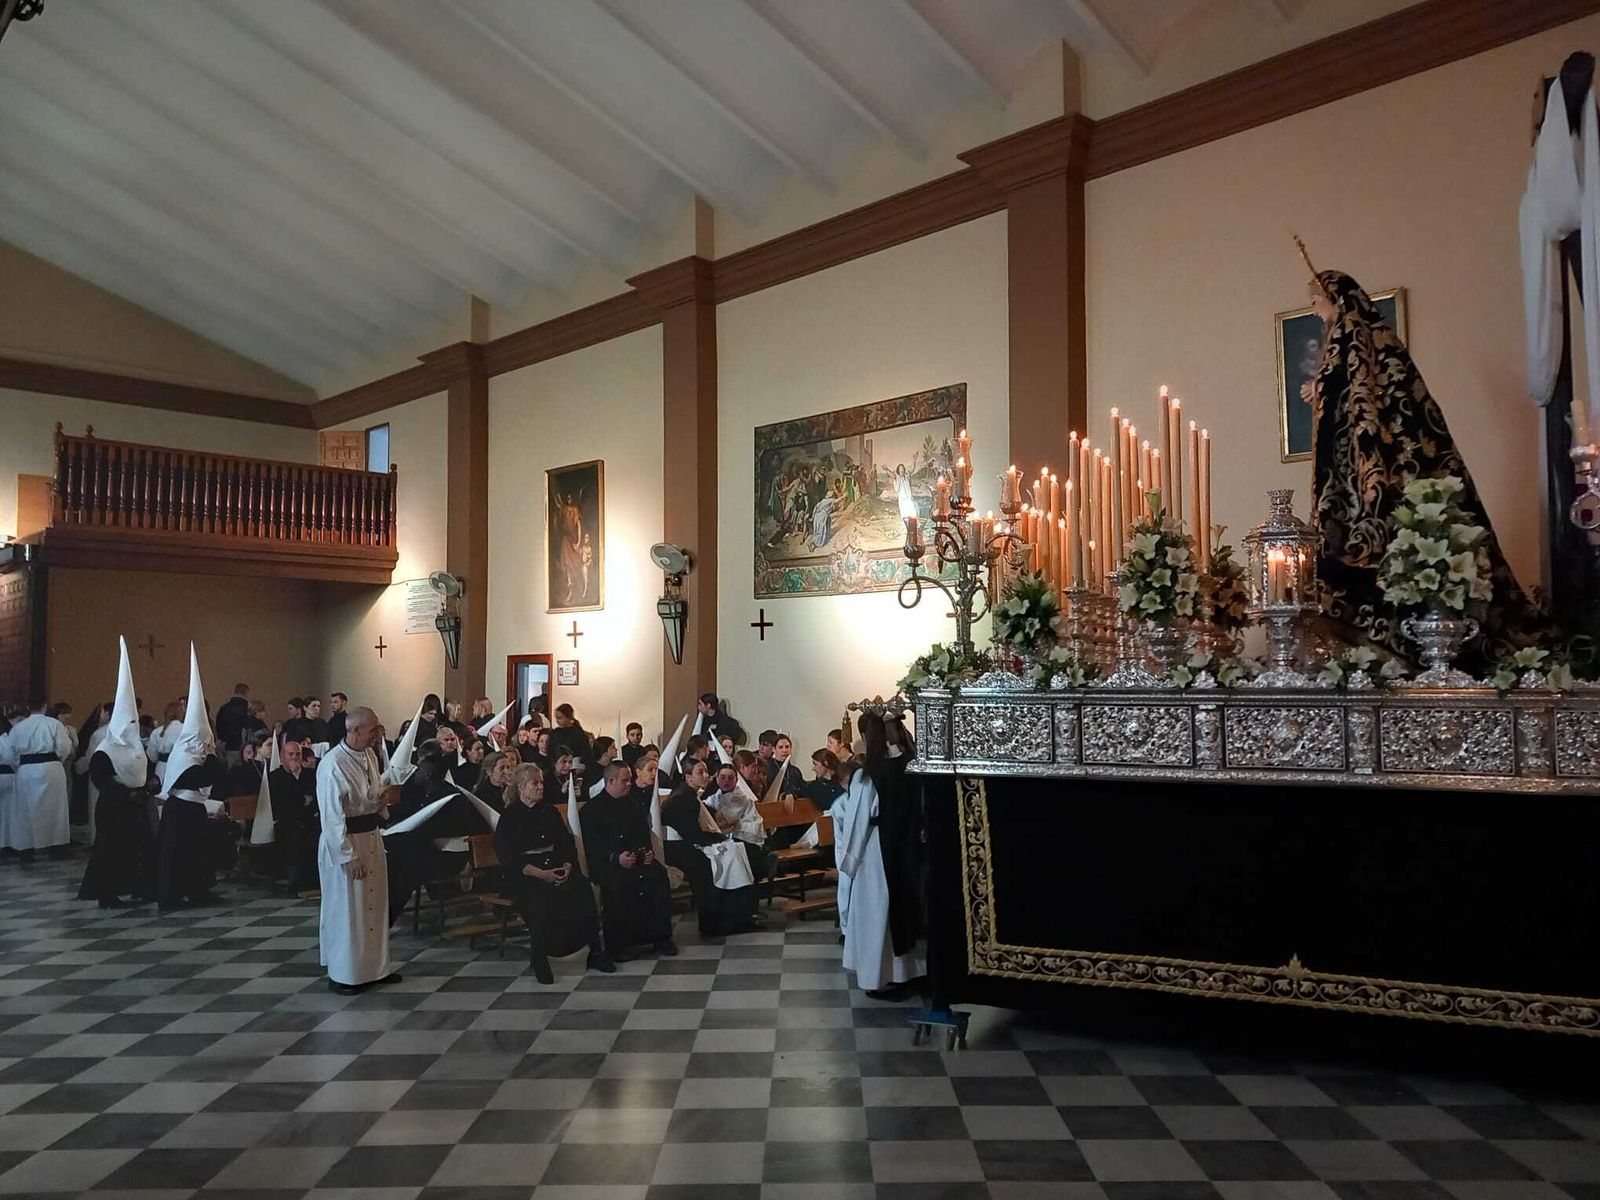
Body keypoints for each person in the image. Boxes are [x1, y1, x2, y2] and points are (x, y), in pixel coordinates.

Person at [1305, 264, 1547, 662]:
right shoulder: (1354, 342)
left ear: (1336, 300)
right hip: (1356, 473)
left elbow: (1360, 400)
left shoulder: (1354, 341)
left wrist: (1324, 389)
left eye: (1317, 301)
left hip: (1379, 480)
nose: (1315, 310)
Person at [495, 763, 615, 983]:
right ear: (521, 788)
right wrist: (543, 874)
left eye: (541, 782)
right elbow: (509, 857)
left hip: (556, 866)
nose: (541, 787)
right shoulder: (510, 817)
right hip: (527, 874)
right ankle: (540, 959)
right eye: (535, 783)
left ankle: (596, 952)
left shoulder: (549, 811)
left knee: (583, 889)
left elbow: (565, 842)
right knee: (539, 899)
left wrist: (568, 865)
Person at [836, 711, 925, 997]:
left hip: (877, 851)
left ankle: (886, 976)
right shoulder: (914, 765)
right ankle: (912, 973)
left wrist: (849, 861)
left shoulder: (868, 774)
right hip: (909, 848)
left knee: (878, 915)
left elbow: (858, 820)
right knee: (906, 910)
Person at [316, 706, 399, 994]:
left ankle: (375, 968)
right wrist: (348, 857)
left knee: (373, 907)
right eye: (373, 730)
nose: (378, 735)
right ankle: (345, 973)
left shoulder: (368, 755)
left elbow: (369, 793)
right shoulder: (332, 764)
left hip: (371, 837)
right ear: (354, 730)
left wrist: (380, 799)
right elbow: (331, 816)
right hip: (347, 842)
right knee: (348, 910)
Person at [77, 637, 156, 907]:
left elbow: (146, 769)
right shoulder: (105, 751)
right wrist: (126, 794)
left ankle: (139, 886)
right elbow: (102, 780)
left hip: (135, 806)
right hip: (115, 807)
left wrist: (149, 784)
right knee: (112, 849)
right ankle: (107, 892)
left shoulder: (136, 748)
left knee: (139, 847)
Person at [156, 647, 230, 909]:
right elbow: (204, 775)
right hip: (181, 811)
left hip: (192, 809)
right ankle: (173, 896)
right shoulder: (185, 757)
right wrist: (211, 755)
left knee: (198, 854)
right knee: (179, 855)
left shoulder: (192, 754)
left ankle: (199, 891)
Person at [580, 761, 676, 960]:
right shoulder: (592, 810)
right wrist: (615, 858)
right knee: (619, 884)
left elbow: (642, 834)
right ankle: (619, 945)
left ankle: (661, 938)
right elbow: (591, 844)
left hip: (635, 858)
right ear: (611, 781)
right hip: (607, 863)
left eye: (630, 780)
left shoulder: (632, 806)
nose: (629, 784)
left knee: (658, 876)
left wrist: (646, 852)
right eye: (624, 781)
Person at [661, 758, 759, 938]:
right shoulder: (683, 798)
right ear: (688, 776)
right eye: (700, 772)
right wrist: (718, 838)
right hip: (678, 848)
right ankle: (715, 924)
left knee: (736, 853)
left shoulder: (689, 794)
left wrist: (717, 838)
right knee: (714, 865)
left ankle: (736, 917)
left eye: (706, 771)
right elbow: (692, 833)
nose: (706, 775)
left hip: (687, 843)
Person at [3, 697, 74, 861]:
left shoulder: (19, 728)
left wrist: (19, 765)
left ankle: (26, 850)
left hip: (26, 770)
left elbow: (9, 753)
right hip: (51, 767)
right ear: (45, 706)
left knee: (25, 809)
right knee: (56, 809)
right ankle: (57, 848)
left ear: (28, 707)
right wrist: (58, 760)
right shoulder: (54, 724)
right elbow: (64, 747)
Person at [270, 738, 317, 894]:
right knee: (292, 837)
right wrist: (302, 799)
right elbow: (283, 803)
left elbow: (315, 798)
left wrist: (301, 800)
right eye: (290, 754)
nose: (295, 758)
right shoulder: (275, 777)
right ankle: (294, 882)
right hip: (287, 821)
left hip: (309, 820)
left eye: (298, 754)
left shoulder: (310, 774)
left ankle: (314, 881)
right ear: (283, 757)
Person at [215, 684, 252, 760]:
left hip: (223, 745)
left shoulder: (224, 708)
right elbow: (247, 728)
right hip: (238, 746)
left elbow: (218, 726)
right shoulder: (246, 710)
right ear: (246, 693)